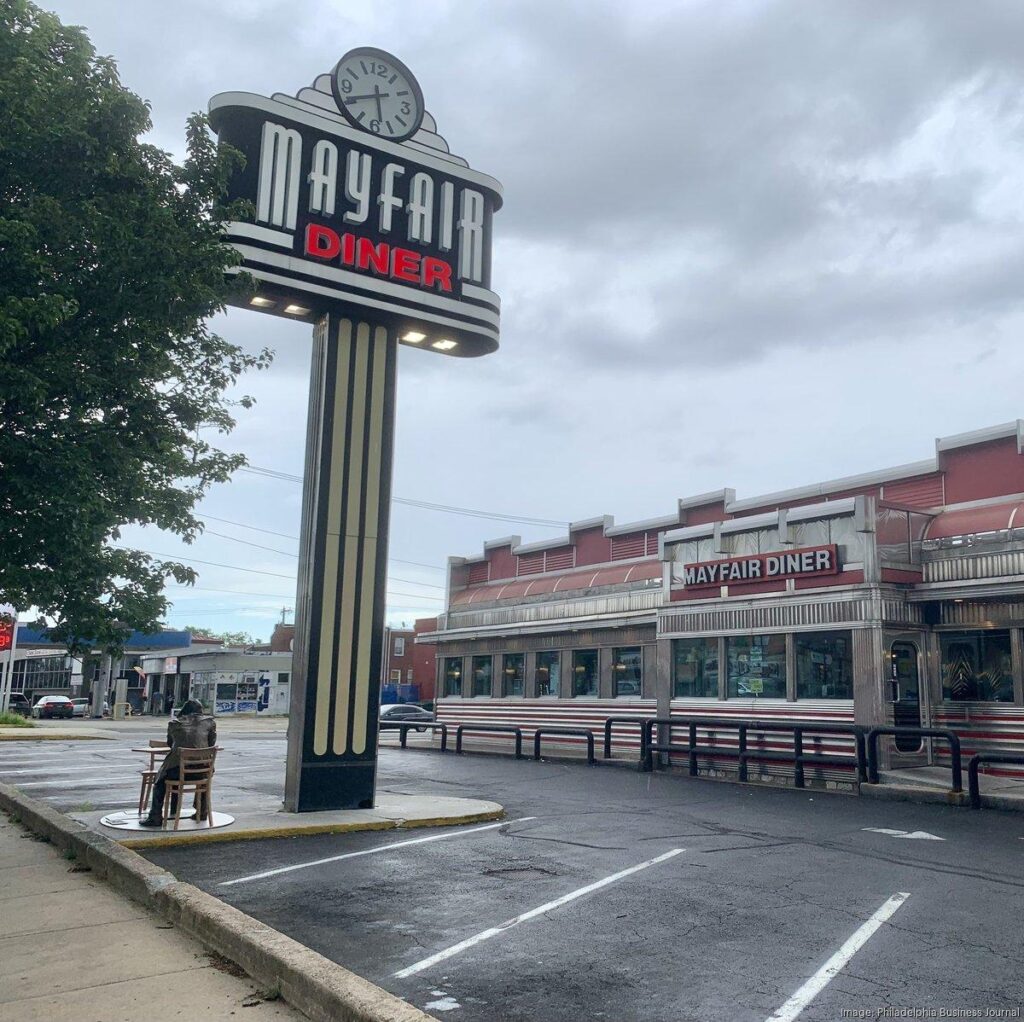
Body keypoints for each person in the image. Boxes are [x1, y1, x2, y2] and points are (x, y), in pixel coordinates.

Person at [139, 699, 217, 827]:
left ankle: (155, 815)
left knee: (159, 782)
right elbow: (211, 743)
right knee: (206, 775)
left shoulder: (174, 724)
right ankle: (202, 811)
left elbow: (171, 744)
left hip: (177, 771)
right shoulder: (209, 723)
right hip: (202, 771)